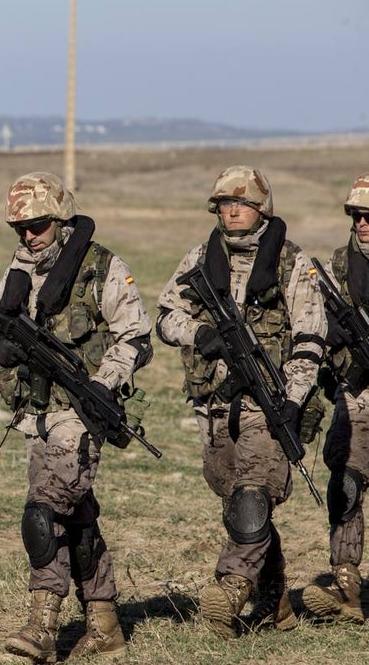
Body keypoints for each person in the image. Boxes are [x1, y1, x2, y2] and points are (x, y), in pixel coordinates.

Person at [0, 171, 152, 665]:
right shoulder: (18, 270)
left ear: (59, 218)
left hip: (81, 414)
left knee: (44, 512)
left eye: (36, 225)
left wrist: (102, 383)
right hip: (36, 415)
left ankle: (41, 626)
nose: (27, 236)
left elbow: (137, 337)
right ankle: (105, 623)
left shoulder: (101, 269)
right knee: (76, 519)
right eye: (19, 228)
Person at [156, 165, 326, 638]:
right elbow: (166, 318)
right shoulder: (200, 259)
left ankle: (228, 590)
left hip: (268, 402)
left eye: (242, 204)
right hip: (212, 404)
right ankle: (276, 605)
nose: (232, 211)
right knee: (235, 499)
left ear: (261, 209)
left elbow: (311, 337)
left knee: (254, 496)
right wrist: (200, 333)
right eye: (224, 205)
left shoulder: (292, 263)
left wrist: (291, 400)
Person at [302, 174, 369, 624]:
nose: (363, 223)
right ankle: (347, 584)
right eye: (357, 215)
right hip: (357, 393)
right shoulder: (338, 267)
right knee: (346, 480)